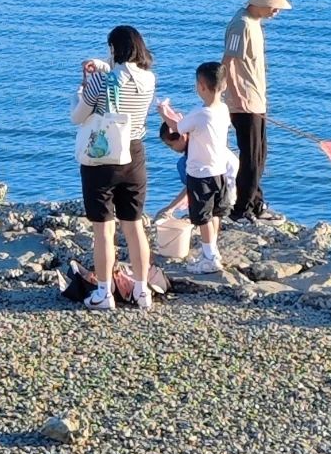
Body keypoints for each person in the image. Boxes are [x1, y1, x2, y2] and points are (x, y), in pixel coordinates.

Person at [71, 25, 157, 311]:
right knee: (134, 226)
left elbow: (78, 116)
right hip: (134, 154)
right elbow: (123, 75)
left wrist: (81, 89)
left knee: (103, 230)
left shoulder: (100, 82)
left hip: (102, 156)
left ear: (114, 49)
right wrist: (103, 65)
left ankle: (104, 293)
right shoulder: (149, 80)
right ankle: (142, 292)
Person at [222, 0, 292, 224]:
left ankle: (255, 204)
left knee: (259, 155)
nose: (276, 12)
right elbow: (227, 62)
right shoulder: (240, 24)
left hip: (256, 100)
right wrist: (237, 95)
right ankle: (241, 210)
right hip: (243, 103)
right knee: (251, 158)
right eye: (274, 6)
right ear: (260, 2)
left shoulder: (254, 23)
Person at [159, 62, 233, 274]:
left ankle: (210, 258)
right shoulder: (224, 110)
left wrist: (164, 111)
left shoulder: (201, 113)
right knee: (215, 213)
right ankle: (212, 250)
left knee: (203, 217)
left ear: (201, 86)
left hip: (200, 173)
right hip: (220, 171)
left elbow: (176, 128)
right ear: (224, 85)